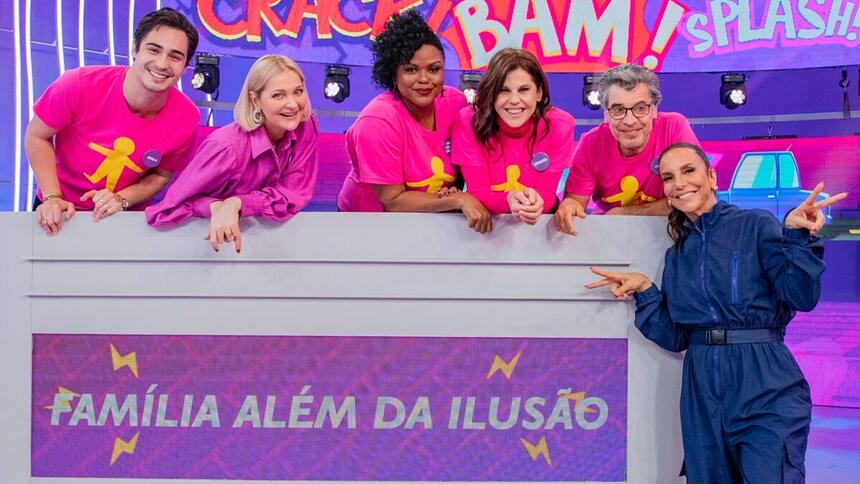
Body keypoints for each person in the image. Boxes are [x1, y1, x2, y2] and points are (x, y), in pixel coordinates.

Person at [586, 142, 847, 483]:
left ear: (711, 176)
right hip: (702, 392)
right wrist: (647, 291)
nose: (679, 183)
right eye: (668, 177)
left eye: (688, 171)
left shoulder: (755, 225)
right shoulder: (678, 255)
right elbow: (678, 336)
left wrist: (797, 237)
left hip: (765, 382)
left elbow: (800, 295)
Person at [25, 7, 200, 236]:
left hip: (124, 218)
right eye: (154, 50)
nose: (162, 63)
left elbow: (161, 175)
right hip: (58, 209)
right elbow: (37, 135)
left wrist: (122, 199)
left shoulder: (187, 118)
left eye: (175, 56)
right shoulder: (78, 84)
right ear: (134, 49)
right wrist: (52, 197)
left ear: (185, 67)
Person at [336, 9, 491, 233]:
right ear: (393, 73)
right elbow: (393, 201)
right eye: (411, 70)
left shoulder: (456, 102)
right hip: (366, 225)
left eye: (434, 69)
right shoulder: (377, 122)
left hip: (430, 219)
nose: (424, 79)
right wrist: (459, 199)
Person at [146, 55, 318, 253]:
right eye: (278, 95)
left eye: (298, 91)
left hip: (264, 243)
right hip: (201, 246)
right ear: (256, 100)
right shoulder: (226, 148)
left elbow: (295, 192)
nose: (293, 104)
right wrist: (217, 207)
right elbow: (166, 209)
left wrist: (237, 203)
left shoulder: (304, 125)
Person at [553, 63, 698, 235]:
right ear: (606, 114)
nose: (630, 121)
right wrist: (570, 206)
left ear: (654, 110)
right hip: (612, 235)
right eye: (618, 110)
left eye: (640, 109)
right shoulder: (591, 142)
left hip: (672, 231)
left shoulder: (674, 128)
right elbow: (575, 203)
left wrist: (622, 214)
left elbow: (694, 196)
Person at [452, 48, 574, 225]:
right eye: (503, 90)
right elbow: (477, 191)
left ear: (539, 92)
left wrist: (536, 204)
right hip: (484, 225)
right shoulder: (468, 121)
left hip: (538, 224)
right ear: (491, 93)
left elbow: (547, 193)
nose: (514, 100)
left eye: (523, 90)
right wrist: (509, 199)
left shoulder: (560, 125)